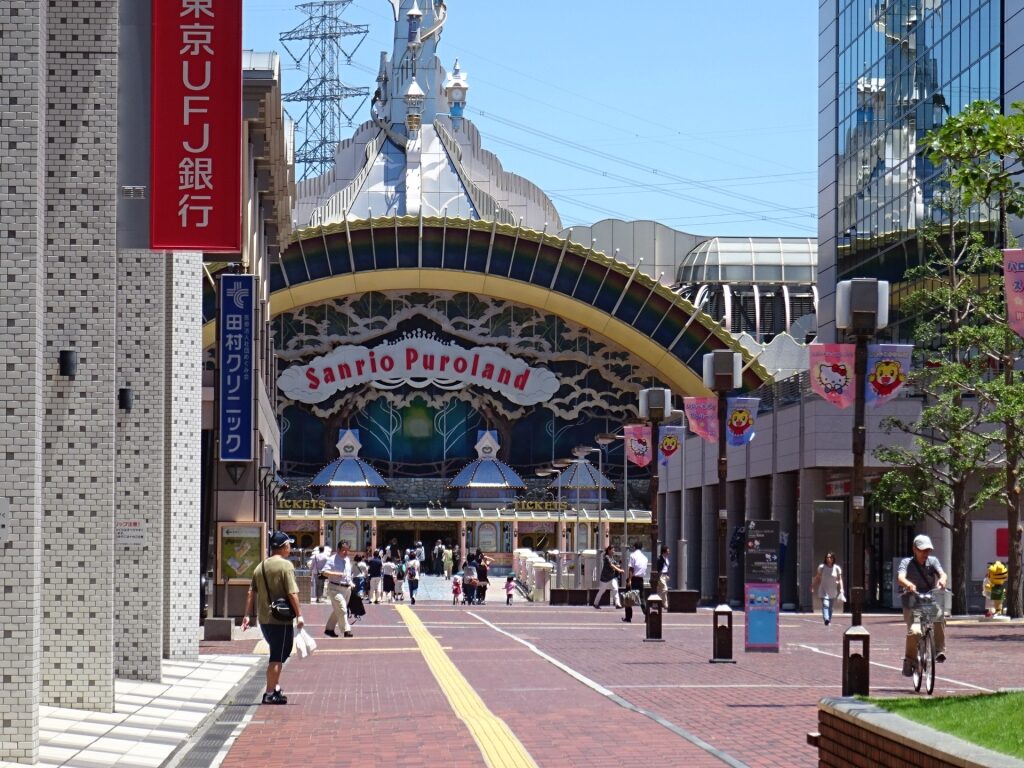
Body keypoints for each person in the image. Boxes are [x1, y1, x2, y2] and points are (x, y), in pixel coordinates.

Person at [242, 531, 304, 705]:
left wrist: (247, 615)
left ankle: (275, 687)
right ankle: (269, 692)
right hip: (281, 618)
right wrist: (299, 614)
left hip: (264, 618)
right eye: (289, 545)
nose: (290, 548)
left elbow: (250, 592)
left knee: (279, 652)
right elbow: (292, 592)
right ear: (284, 547)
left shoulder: (260, 566)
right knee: (278, 655)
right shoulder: (286, 566)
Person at [897, 534, 948, 676]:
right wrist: (908, 584)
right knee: (915, 632)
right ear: (914, 549)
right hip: (912, 603)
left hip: (928, 601)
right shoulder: (906, 563)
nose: (926, 553)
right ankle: (909, 660)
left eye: (928, 550)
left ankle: (939, 651)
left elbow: (943, 574)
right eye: (922, 550)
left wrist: (942, 581)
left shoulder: (933, 561)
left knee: (939, 616)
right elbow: (900, 577)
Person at [322, 540, 354, 638]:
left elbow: (348, 574)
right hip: (334, 588)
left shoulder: (347, 560)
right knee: (342, 608)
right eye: (343, 550)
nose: (345, 552)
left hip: (346, 588)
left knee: (338, 609)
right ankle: (346, 630)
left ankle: (329, 629)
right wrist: (336, 574)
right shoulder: (332, 559)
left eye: (347, 550)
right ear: (338, 549)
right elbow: (324, 572)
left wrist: (351, 583)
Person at [810, 552, 844, 626]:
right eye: (827, 557)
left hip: (832, 591)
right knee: (826, 605)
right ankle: (826, 619)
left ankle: (829, 619)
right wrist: (812, 586)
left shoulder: (837, 568)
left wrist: (842, 589)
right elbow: (817, 577)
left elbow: (840, 579)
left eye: (830, 557)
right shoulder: (821, 567)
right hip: (823, 590)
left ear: (833, 559)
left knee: (830, 608)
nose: (829, 559)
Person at [623, 543, 649, 623]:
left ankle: (628, 617)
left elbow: (631, 569)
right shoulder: (645, 558)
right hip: (641, 579)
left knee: (628, 597)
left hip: (633, 578)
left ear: (634, 547)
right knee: (641, 599)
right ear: (641, 548)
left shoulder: (633, 555)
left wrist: (629, 580)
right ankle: (647, 615)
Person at [592, 545, 623, 609]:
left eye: (614, 550)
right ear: (609, 550)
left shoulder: (612, 557)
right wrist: (619, 570)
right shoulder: (606, 557)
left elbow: (614, 564)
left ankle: (618, 604)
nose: (613, 551)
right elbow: (611, 565)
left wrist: (619, 565)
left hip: (612, 577)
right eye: (612, 550)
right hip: (605, 578)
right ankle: (595, 603)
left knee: (615, 589)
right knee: (602, 591)